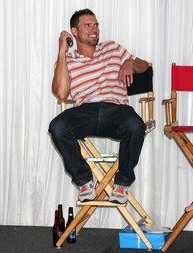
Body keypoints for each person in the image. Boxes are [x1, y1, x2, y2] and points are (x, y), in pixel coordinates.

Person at [49, 8, 148, 204]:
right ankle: (84, 181)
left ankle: (122, 184)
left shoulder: (112, 48)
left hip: (117, 110)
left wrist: (130, 62)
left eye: (96, 25)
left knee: (136, 125)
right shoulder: (66, 60)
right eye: (88, 25)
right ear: (74, 32)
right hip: (85, 111)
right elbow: (61, 93)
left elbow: (145, 66)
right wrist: (62, 50)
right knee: (57, 127)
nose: (94, 29)